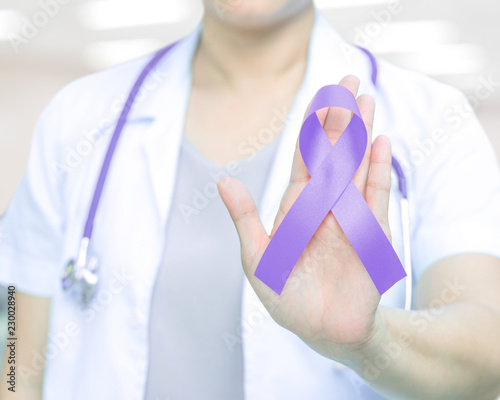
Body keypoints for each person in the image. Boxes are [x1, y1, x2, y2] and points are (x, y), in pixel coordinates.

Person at [1, 1, 500, 399]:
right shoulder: (78, 118)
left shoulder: (433, 121)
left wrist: (373, 342)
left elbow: (488, 352)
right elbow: (14, 358)